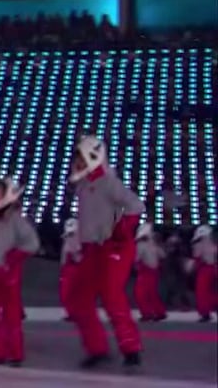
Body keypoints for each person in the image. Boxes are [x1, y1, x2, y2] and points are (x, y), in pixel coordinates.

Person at [67, 135, 143, 369]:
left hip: (113, 245)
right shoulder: (84, 184)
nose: (75, 162)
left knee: (111, 294)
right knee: (79, 298)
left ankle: (131, 348)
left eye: (79, 157)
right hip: (92, 248)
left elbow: (135, 205)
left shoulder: (108, 182)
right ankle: (97, 348)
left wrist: (121, 231)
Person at [0, 177, 39, 367]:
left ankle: (15, 353)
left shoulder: (15, 220)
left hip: (5, 271)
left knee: (10, 315)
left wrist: (13, 258)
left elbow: (32, 243)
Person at [133, 223, 167, 322]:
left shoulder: (141, 244)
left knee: (140, 293)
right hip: (154, 271)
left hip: (145, 270)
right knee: (152, 293)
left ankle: (147, 313)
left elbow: (137, 258)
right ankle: (160, 312)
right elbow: (162, 255)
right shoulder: (154, 242)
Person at [191, 225, 216, 322]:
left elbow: (197, 256)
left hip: (204, 269)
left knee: (202, 292)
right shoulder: (212, 242)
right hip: (213, 267)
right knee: (211, 291)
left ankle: (205, 313)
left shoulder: (198, 243)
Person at [59, 219, 82, 321]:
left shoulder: (79, 240)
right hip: (67, 269)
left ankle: (75, 313)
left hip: (75, 268)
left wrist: (75, 257)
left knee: (72, 292)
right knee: (65, 292)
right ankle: (72, 313)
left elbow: (79, 256)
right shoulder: (67, 238)